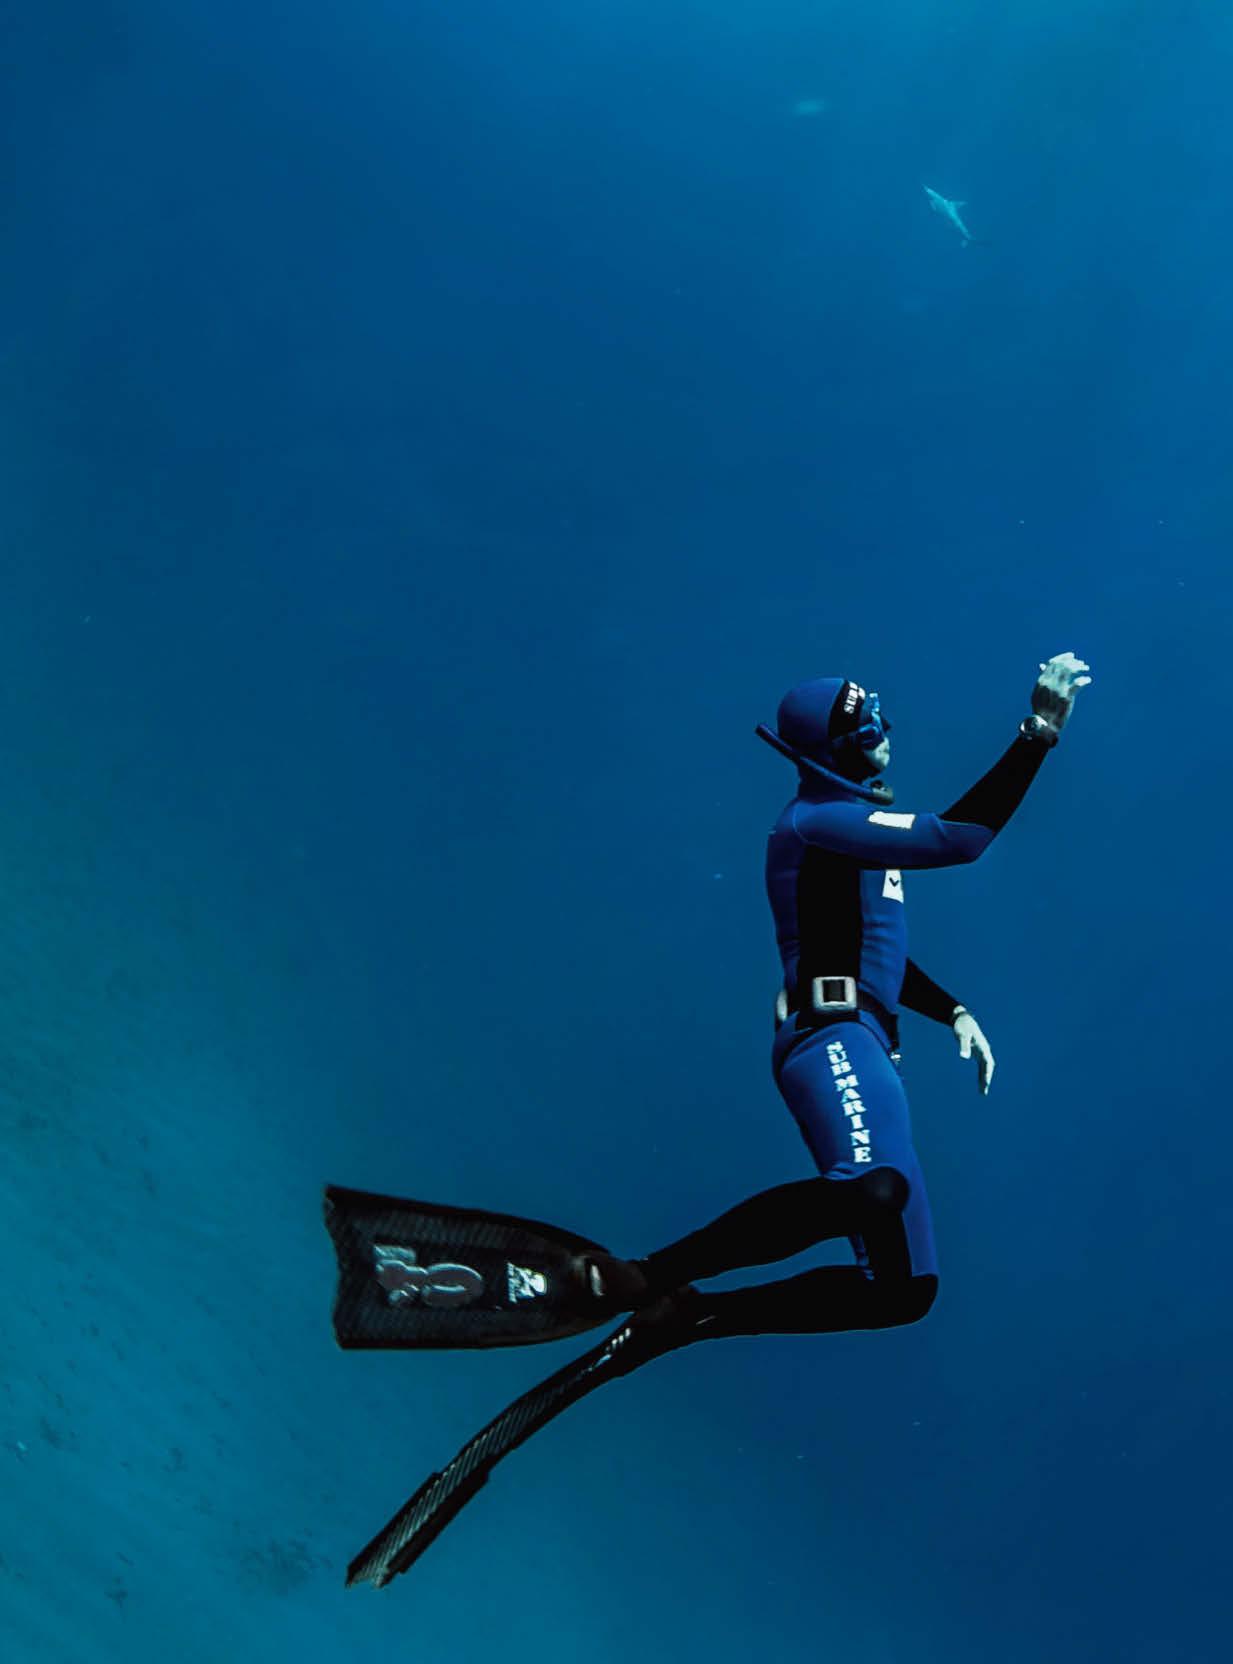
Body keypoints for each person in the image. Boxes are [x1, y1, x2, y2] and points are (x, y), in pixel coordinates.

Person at [325, 649, 1092, 1585]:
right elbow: (960, 839)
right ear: (828, 749)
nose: (881, 731)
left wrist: (954, 1011)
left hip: (868, 1040)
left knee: (902, 1292)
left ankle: (692, 1317)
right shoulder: (817, 818)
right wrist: (1037, 732)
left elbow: (879, 947)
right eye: (861, 723)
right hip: (828, 1038)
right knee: (874, 1191)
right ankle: (645, 1276)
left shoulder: (851, 826)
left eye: (876, 714)